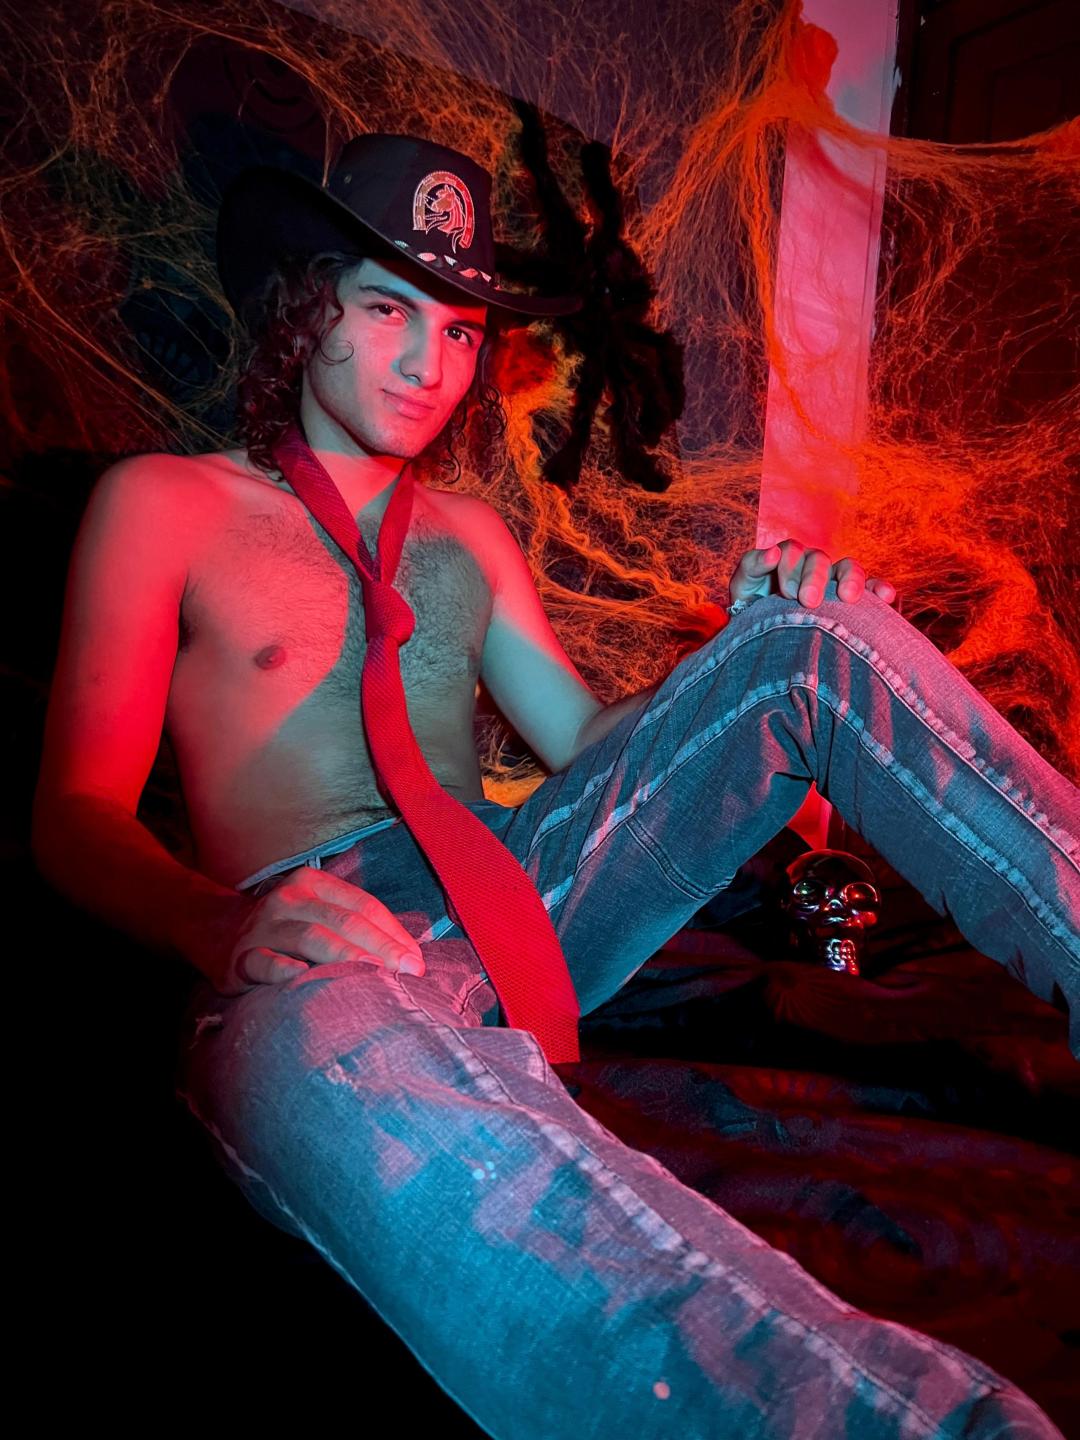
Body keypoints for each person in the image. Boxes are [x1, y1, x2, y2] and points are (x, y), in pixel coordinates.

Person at [31, 134, 1078, 1438]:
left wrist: (738, 646)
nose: (429, 363)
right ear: (308, 308)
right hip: (321, 926)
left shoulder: (471, 536)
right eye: (389, 310)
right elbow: (73, 813)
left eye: (461, 330)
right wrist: (224, 925)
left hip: (520, 881)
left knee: (814, 631)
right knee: (297, 1057)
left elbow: (584, 740)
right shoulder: (165, 504)